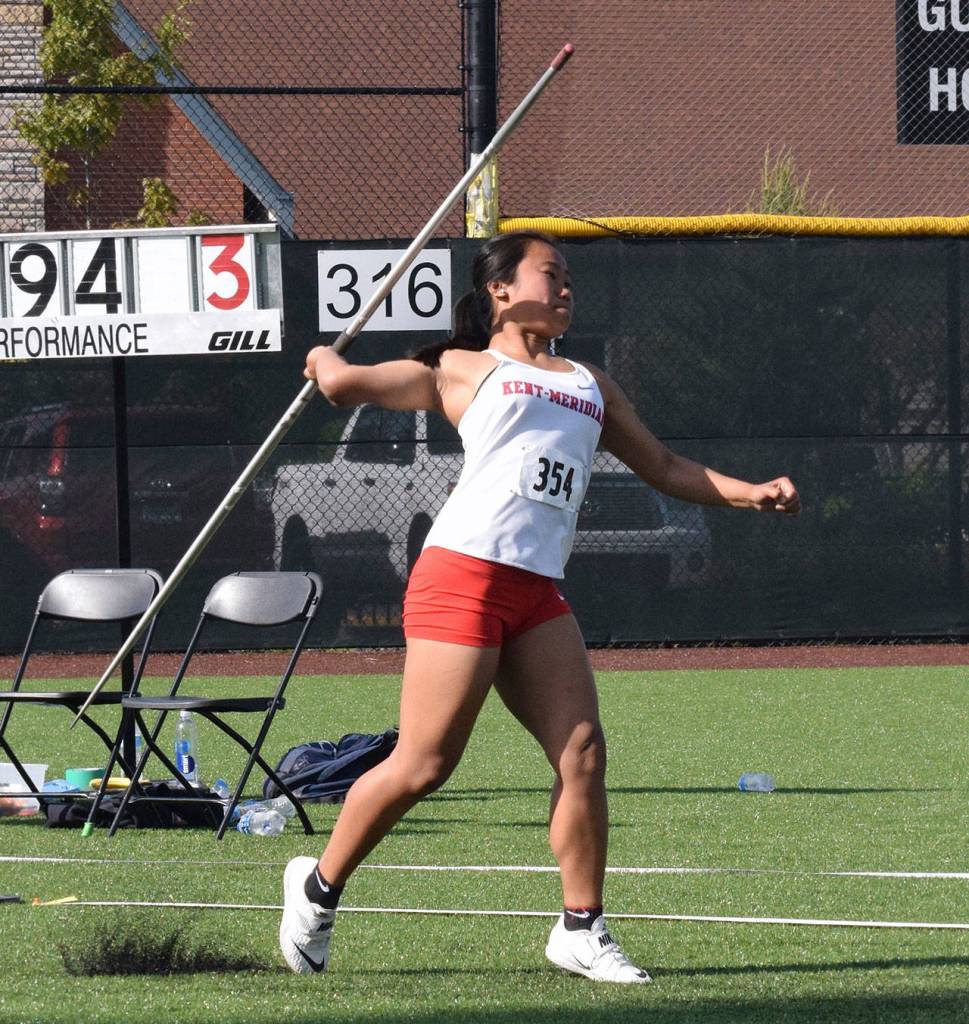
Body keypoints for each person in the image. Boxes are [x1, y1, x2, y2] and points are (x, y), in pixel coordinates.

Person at [279, 231, 800, 983]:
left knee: (582, 751)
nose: (565, 289)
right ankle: (317, 887)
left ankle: (580, 929)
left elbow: (660, 465)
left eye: (568, 278)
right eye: (549, 274)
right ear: (498, 290)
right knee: (425, 764)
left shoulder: (591, 383)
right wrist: (325, 361)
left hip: (535, 591)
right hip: (460, 576)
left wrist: (749, 492)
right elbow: (346, 385)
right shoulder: (462, 367)